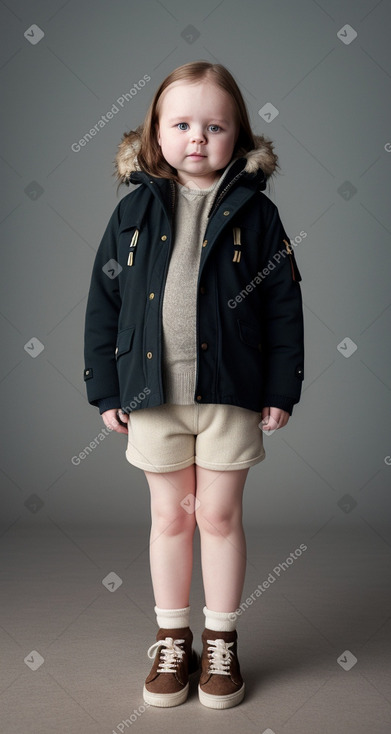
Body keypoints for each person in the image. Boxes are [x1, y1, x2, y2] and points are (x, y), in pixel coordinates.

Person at [83, 60, 304, 710]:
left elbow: (283, 307)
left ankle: (221, 641)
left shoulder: (258, 216)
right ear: (156, 131)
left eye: (215, 125)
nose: (197, 138)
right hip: (151, 397)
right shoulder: (130, 213)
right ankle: (171, 638)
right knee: (169, 517)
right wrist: (105, 388)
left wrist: (280, 387)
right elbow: (103, 303)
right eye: (181, 124)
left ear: (238, 135)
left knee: (217, 514)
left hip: (230, 392)